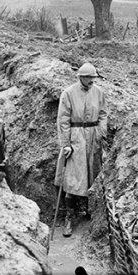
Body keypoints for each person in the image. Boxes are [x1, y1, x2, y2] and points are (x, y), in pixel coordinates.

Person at [54, 62, 107, 237]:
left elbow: (103, 114)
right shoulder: (68, 93)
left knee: (92, 173)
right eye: (88, 77)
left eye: (94, 77)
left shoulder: (99, 92)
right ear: (80, 77)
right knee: (72, 177)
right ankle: (69, 216)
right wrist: (66, 144)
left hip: (93, 136)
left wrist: (100, 132)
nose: (92, 80)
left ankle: (89, 211)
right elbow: (63, 120)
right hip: (75, 137)